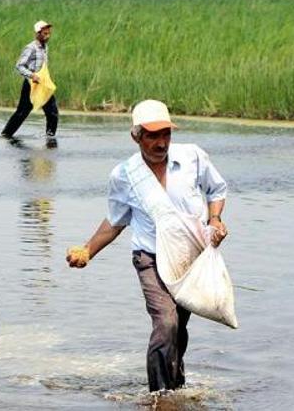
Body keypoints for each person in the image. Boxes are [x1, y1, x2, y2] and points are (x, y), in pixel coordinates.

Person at [66, 99, 229, 393]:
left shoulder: (192, 157)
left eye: (165, 134)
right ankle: (160, 396)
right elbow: (116, 221)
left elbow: (217, 189)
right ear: (136, 136)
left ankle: (176, 385)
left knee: (178, 327)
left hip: (189, 260)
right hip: (150, 259)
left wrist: (215, 219)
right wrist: (88, 250)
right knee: (166, 322)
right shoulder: (125, 175)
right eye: (152, 135)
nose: (161, 142)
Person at [2, 20, 59, 139]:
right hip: (31, 84)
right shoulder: (31, 48)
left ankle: (50, 137)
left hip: (42, 84)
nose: (47, 36)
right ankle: (6, 135)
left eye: (48, 33)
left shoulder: (45, 47)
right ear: (37, 33)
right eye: (45, 34)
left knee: (52, 112)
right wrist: (32, 75)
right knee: (22, 112)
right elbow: (19, 66)